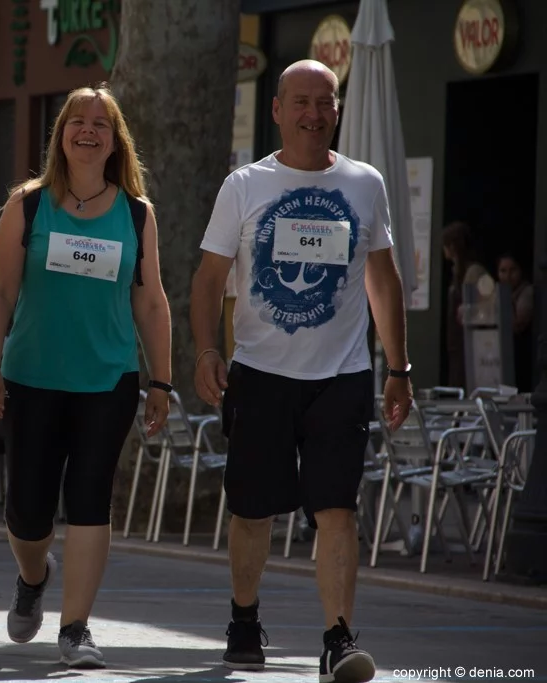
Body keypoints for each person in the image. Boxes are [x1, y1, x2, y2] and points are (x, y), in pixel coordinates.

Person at [191, 60, 412, 683]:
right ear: (278, 110)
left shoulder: (365, 184)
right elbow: (208, 280)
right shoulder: (244, 186)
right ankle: (242, 617)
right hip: (259, 372)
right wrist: (207, 351)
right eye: (302, 102)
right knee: (253, 510)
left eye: (325, 102)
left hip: (341, 376)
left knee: (338, 507)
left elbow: (382, 277)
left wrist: (399, 366)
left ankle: (339, 638)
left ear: (337, 109)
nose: (314, 114)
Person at [0, 83, 172, 669]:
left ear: (116, 142)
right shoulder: (29, 204)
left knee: (90, 499)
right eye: (77, 121)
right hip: (32, 376)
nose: (88, 131)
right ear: (61, 134)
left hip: (108, 379)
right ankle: (33, 577)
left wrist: (160, 381)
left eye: (101, 124)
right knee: (28, 511)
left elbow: (152, 302)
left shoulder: (137, 214)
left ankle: (77, 627)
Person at [442, 221, 489, 389]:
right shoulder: (456, 271)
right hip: (457, 339)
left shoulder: (474, 271)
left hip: (470, 340)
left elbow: (487, 303)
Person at [497, 253, 534, 392]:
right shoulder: (498, 293)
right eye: (503, 271)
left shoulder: (526, 292)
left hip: (521, 355)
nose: (508, 276)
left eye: (513, 270)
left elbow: (518, 325)